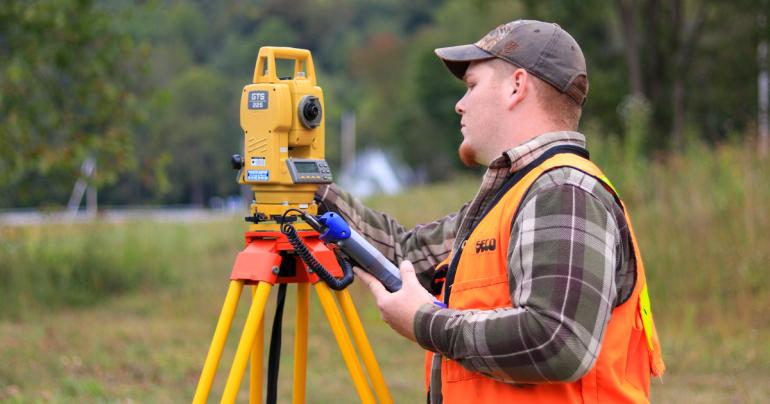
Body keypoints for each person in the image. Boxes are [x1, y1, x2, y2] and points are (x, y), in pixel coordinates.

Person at [316, 19, 665, 403]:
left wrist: (425, 323)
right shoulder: (514, 199)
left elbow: (557, 339)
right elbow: (402, 256)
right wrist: (309, 188)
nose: (459, 105)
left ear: (517, 86)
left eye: (471, 86)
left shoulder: (562, 190)